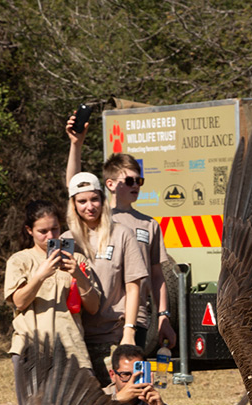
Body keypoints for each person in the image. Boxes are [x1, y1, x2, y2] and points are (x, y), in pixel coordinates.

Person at [5, 199, 100, 405]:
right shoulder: (20, 260)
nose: (50, 236)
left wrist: (80, 275)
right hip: (32, 347)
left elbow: (93, 306)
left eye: (55, 230)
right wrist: (42, 273)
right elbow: (18, 300)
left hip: (71, 349)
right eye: (43, 231)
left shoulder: (77, 259)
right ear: (29, 231)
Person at [65, 113, 176, 350]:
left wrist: (163, 314)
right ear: (111, 184)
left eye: (139, 181)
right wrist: (76, 145)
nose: (135, 185)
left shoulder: (148, 225)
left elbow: (157, 275)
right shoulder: (97, 218)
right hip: (92, 314)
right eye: (130, 181)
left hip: (131, 316)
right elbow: (74, 185)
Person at [62, 172, 147, 386]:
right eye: (82, 201)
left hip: (114, 334)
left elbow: (133, 286)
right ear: (73, 204)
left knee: (126, 398)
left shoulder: (121, 234)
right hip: (78, 336)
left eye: (94, 199)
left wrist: (129, 331)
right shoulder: (65, 240)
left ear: (103, 199)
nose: (89, 206)